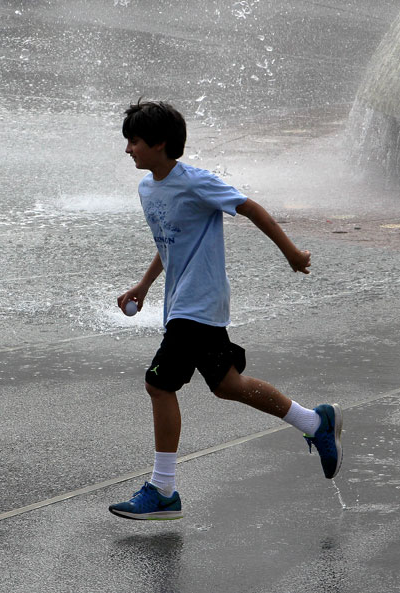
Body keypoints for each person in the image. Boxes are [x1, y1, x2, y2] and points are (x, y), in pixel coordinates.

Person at [109, 101, 342, 521]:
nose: (128, 149)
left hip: (199, 303)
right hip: (184, 304)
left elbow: (250, 207)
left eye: (135, 141)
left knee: (158, 385)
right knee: (228, 385)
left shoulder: (196, 183)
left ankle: (163, 489)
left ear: (160, 143)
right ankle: (314, 422)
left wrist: (291, 253)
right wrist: (145, 285)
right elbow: (171, 240)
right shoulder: (148, 189)